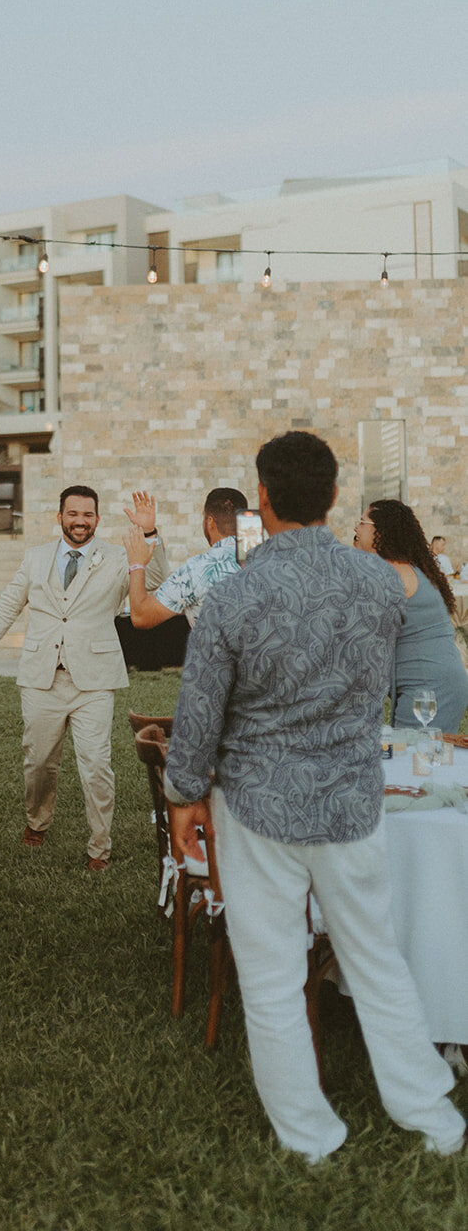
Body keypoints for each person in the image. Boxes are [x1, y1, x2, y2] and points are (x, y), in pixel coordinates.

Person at [165, 431, 465, 1162]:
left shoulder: (234, 593)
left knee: (271, 978)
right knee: (376, 961)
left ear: (260, 499)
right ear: (332, 498)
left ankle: (307, 1136)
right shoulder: (379, 584)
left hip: (257, 804)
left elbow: (198, 709)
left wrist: (182, 797)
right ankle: (433, 1117)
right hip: (349, 800)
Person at [0, 486, 166, 872]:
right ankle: (37, 821)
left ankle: (99, 847)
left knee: (96, 766)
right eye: (72, 514)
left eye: (87, 515)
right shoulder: (36, 558)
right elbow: (9, 603)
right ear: (60, 517)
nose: (80, 521)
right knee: (39, 762)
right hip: (42, 677)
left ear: (97, 519)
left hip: (94, 680)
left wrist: (150, 534)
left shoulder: (117, 556)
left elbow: (155, 579)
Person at [354, 499, 468, 733]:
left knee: (413, 761)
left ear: (380, 532)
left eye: (362, 522)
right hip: (438, 682)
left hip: (429, 688)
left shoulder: (391, 574)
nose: (356, 528)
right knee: (419, 762)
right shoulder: (405, 568)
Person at [125, 487, 247, 629]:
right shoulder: (270, 560)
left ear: (210, 522)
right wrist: (149, 533)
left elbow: (141, 616)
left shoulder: (200, 569)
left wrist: (136, 564)